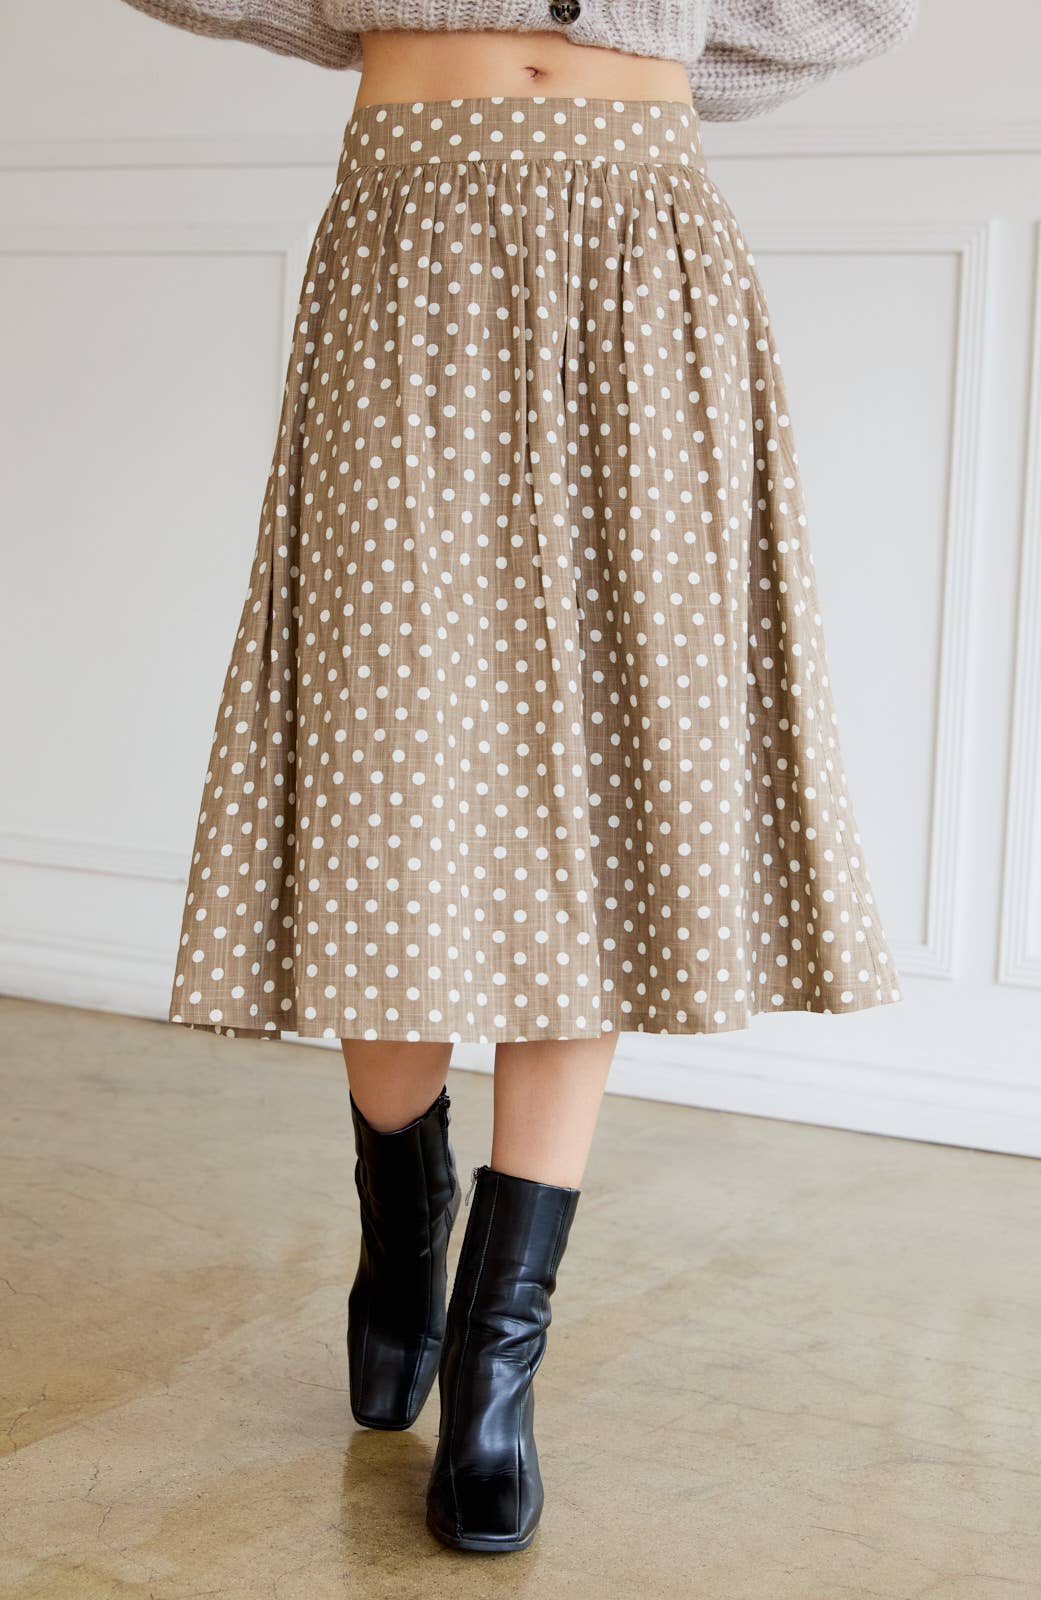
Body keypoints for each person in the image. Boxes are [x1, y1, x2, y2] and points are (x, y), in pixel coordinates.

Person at [118, 0, 919, 1556]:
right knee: (392, 777)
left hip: (648, 240)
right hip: (412, 228)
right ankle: (402, 1216)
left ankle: (495, 1371)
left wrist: (661, 36)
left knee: (611, 791)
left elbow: (855, 12)